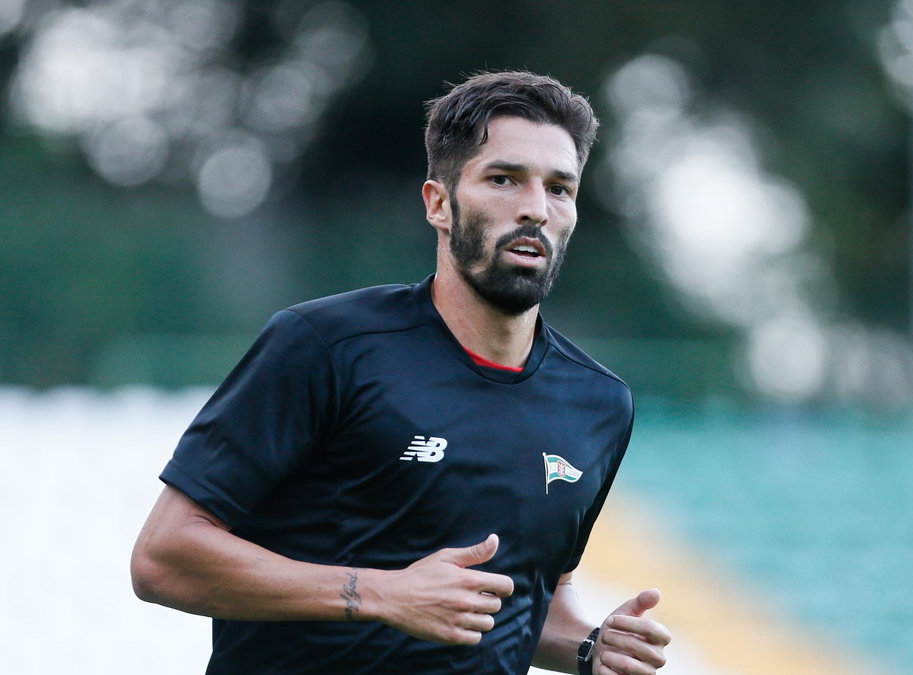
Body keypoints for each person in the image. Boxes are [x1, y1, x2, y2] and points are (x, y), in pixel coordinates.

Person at [131, 70, 671, 675]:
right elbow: (163, 558)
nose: (535, 210)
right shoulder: (326, 346)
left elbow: (530, 596)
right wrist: (380, 594)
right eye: (504, 179)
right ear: (439, 204)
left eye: (559, 189)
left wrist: (591, 647)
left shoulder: (599, 403)